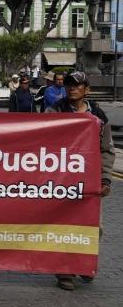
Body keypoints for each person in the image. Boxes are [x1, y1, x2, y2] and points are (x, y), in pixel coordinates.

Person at [46, 71, 114, 291]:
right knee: (62, 225)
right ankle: (65, 271)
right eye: (68, 85)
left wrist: (105, 179)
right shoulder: (54, 111)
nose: (72, 88)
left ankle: (84, 262)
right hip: (62, 179)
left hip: (90, 180)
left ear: (87, 89)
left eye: (77, 85)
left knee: (95, 226)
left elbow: (106, 149)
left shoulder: (100, 116)